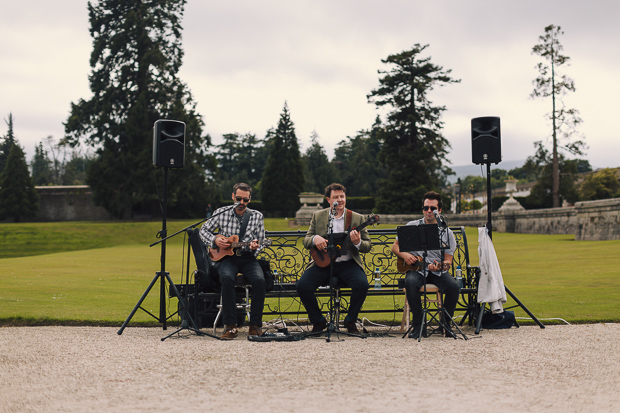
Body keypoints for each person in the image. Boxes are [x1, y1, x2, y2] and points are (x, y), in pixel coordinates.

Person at [296, 183, 372, 334]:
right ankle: (318, 321)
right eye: (336, 197)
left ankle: (350, 321)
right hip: (323, 263)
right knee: (302, 286)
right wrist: (315, 238)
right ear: (328, 200)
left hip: (348, 263)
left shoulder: (356, 218)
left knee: (362, 285)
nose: (340, 199)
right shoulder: (318, 216)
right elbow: (306, 240)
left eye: (342, 196)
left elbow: (367, 245)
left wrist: (357, 242)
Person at [199, 183, 266, 340]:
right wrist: (215, 240)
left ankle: (255, 326)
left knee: (259, 280)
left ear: (250, 199)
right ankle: (230, 326)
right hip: (227, 258)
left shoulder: (257, 216)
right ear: (232, 197)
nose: (241, 203)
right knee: (227, 278)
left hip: (248, 257)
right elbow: (203, 230)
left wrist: (256, 247)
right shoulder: (220, 213)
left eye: (245, 200)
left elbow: (262, 242)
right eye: (238, 199)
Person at [391, 191, 459, 339]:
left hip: (437, 272)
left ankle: (446, 325)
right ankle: (419, 326)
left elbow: (448, 261)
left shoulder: (447, 232)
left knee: (454, 287)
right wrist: (405, 255)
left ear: (439, 210)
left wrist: (440, 266)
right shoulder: (411, 226)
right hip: (416, 269)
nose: (429, 211)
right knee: (410, 282)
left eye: (433, 208)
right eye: (426, 208)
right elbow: (394, 246)